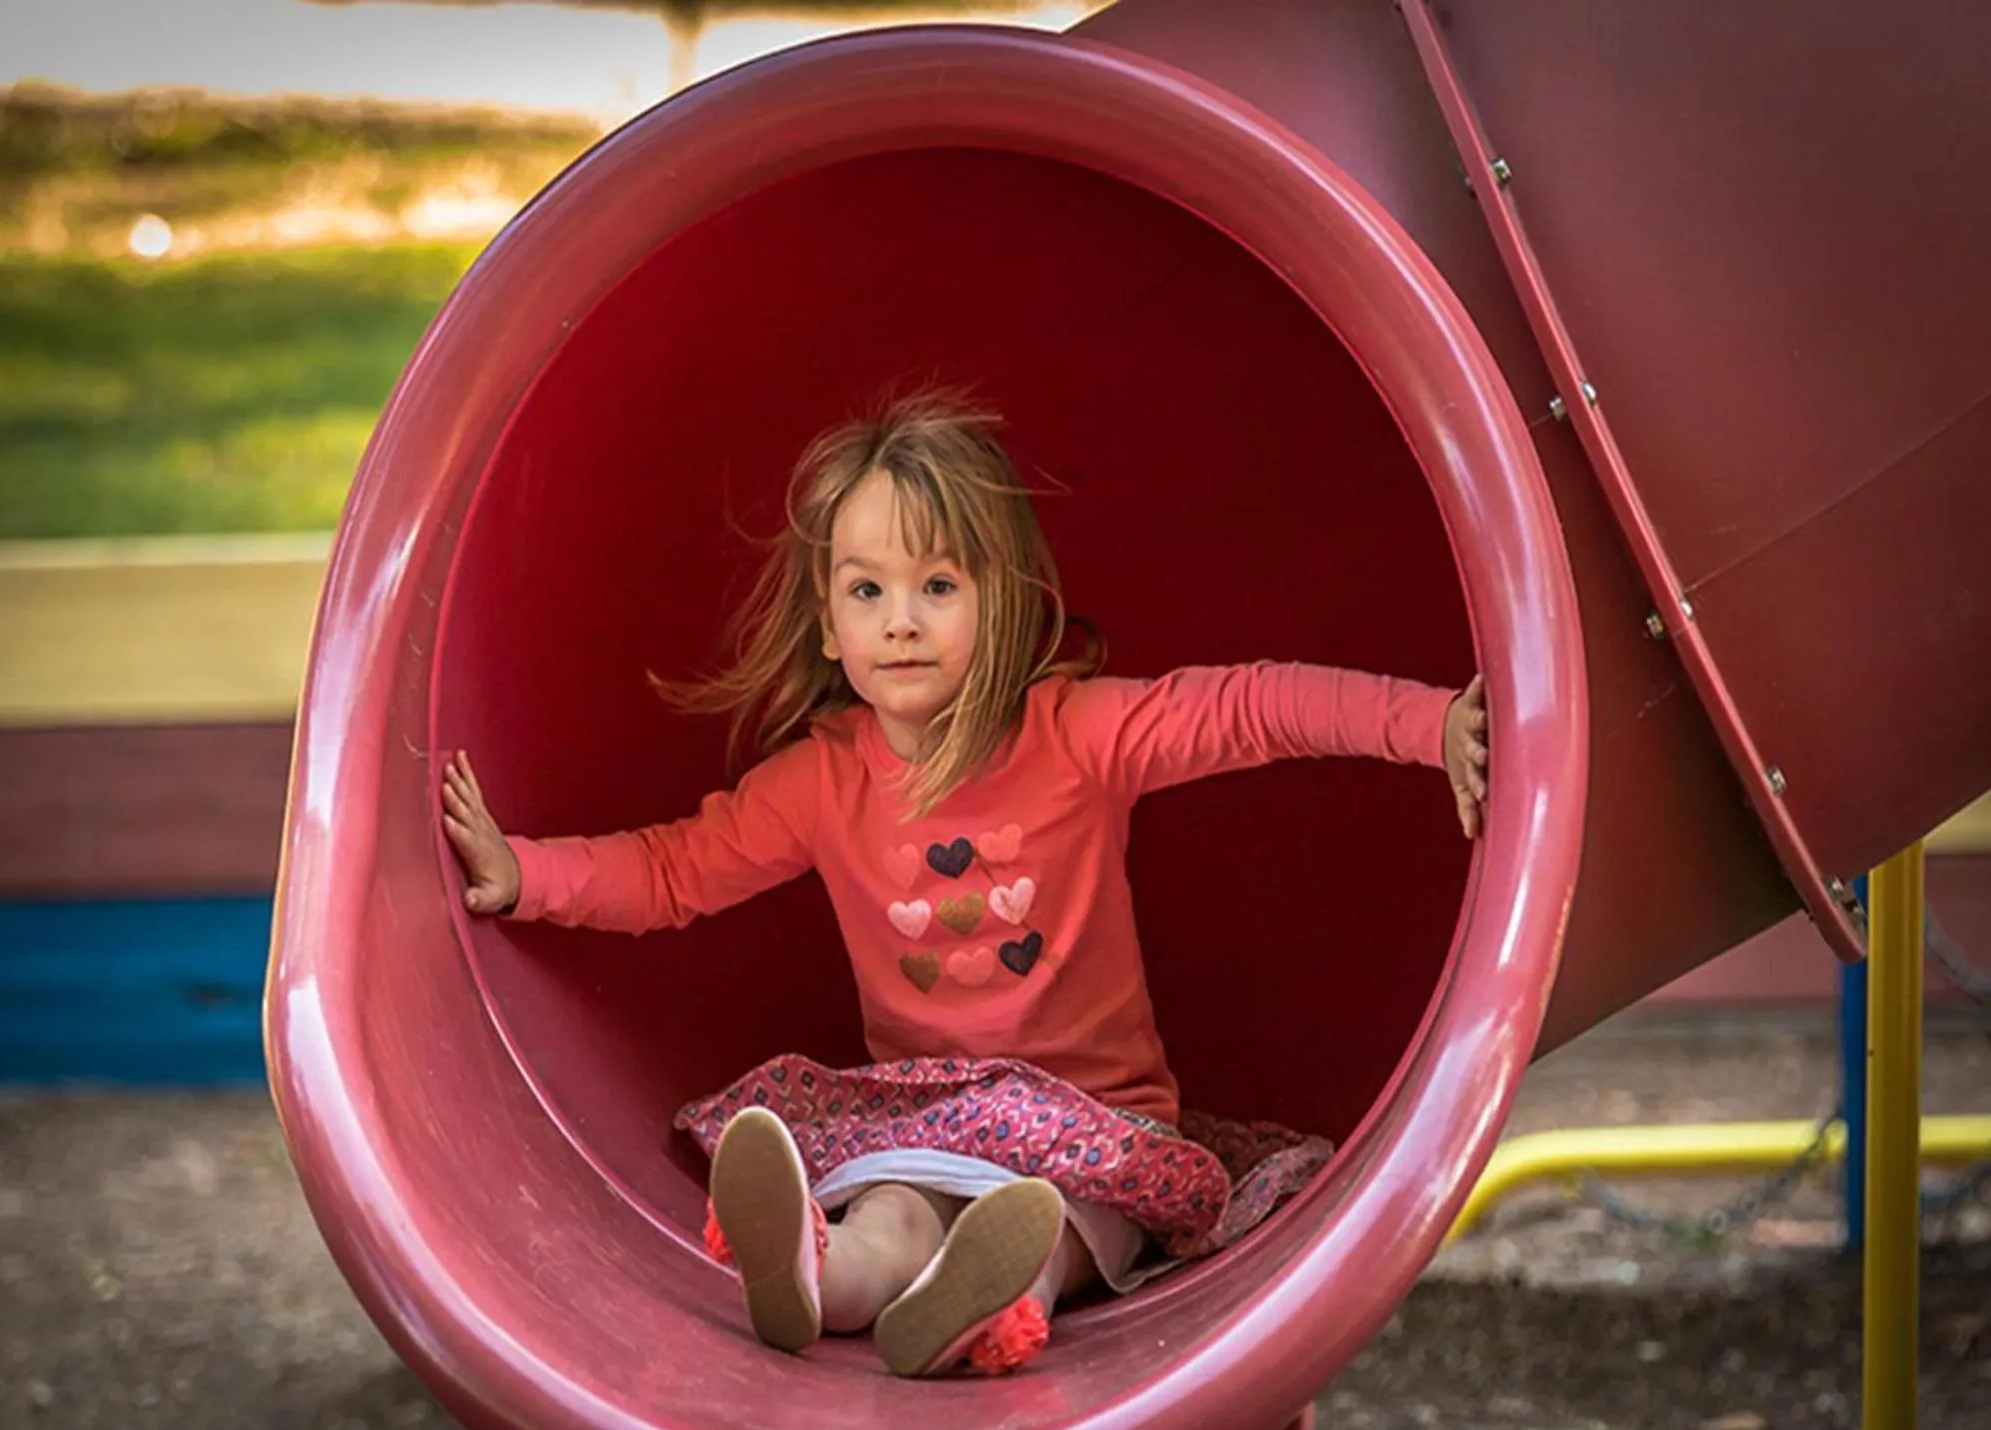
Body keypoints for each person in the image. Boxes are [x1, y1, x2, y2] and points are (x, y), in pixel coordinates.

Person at [441, 387, 1488, 1377]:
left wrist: (1427, 725)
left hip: (1096, 1126)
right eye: (867, 590)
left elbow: (1256, 709)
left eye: (937, 586)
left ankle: (976, 1302)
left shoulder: (1078, 735)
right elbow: (674, 869)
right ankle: (813, 1277)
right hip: (932, 1118)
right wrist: (522, 872)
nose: (900, 620)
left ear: (1004, 603)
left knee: (1057, 1227)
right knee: (891, 1214)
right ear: (826, 624)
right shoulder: (823, 779)